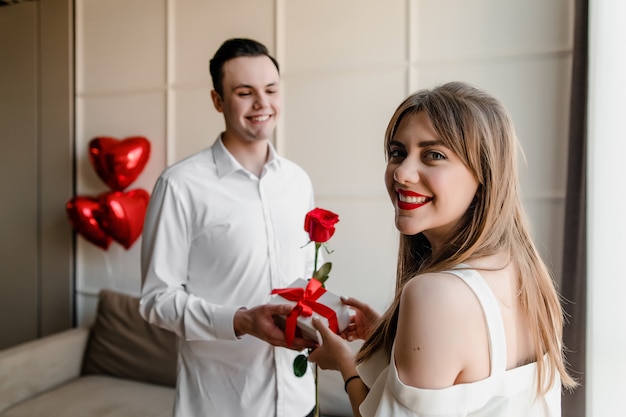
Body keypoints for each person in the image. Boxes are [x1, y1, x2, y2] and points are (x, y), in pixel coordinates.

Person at [308, 81, 577, 417]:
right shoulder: (526, 272)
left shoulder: (434, 293)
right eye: (397, 153)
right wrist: (385, 337)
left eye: (433, 155)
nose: (402, 173)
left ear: (484, 175)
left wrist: (345, 363)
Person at [139, 38, 318, 417]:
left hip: (298, 399)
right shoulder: (180, 185)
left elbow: (303, 276)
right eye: (244, 92)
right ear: (218, 101)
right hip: (221, 403)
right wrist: (240, 321)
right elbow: (156, 301)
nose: (262, 104)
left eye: (270, 90)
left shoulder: (298, 181)